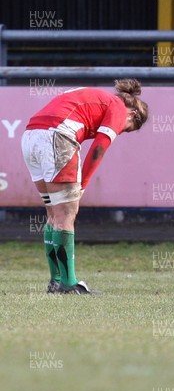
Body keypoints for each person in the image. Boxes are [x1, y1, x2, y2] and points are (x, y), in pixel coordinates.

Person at [21, 79, 148, 294]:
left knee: (53, 213)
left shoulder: (93, 95)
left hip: (31, 136)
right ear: (133, 115)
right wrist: (83, 185)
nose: (122, 131)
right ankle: (69, 284)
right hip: (58, 136)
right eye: (127, 130)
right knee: (67, 213)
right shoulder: (118, 108)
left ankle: (56, 280)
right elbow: (99, 148)